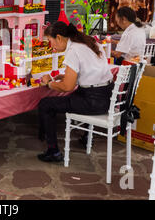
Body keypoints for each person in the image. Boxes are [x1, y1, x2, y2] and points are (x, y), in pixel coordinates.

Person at [37, 22, 114, 163]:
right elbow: (89, 72)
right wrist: (64, 76)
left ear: (59, 37)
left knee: (45, 104)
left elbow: (67, 87)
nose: (51, 45)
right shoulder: (88, 42)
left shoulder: (73, 50)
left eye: (50, 41)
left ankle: (53, 151)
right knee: (71, 97)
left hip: (93, 101)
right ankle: (85, 137)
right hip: (106, 96)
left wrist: (49, 83)